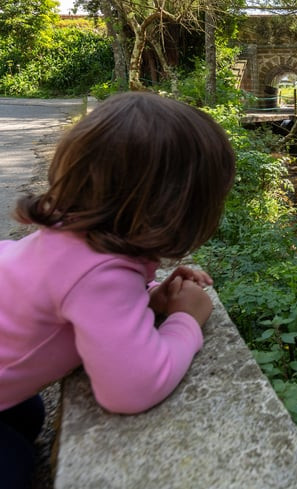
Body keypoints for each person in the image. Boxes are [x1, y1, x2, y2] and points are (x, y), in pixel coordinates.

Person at [0, 91, 236, 489]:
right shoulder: (99, 276)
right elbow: (131, 388)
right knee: (14, 465)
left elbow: (77, 301)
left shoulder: (69, 234)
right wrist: (185, 320)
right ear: (179, 209)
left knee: (27, 415)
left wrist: (149, 297)